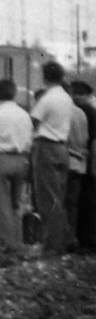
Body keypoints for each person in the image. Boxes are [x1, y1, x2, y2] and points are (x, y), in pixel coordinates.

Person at [0, 77, 35, 256]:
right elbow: (30, 139)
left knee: (2, 202)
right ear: (14, 93)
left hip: (1, 159)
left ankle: (8, 242)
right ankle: (18, 239)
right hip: (21, 159)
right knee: (16, 202)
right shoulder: (24, 115)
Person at [27, 60, 77, 258]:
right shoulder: (67, 98)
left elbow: (32, 122)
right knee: (59, 198)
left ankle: (51, 247)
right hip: (62, 148)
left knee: (47, 199)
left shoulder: (47, 98)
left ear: (45, 77)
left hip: (46, 147)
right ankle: (64, 240)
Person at [70, 78, 94, 252]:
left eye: (81, 94)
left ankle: (88, 239)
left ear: (87, 95)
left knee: (87, 200)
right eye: (75, 93)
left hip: (87, 161)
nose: (77, 97)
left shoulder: (88, 112)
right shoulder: (86, 111)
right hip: (85, 160)